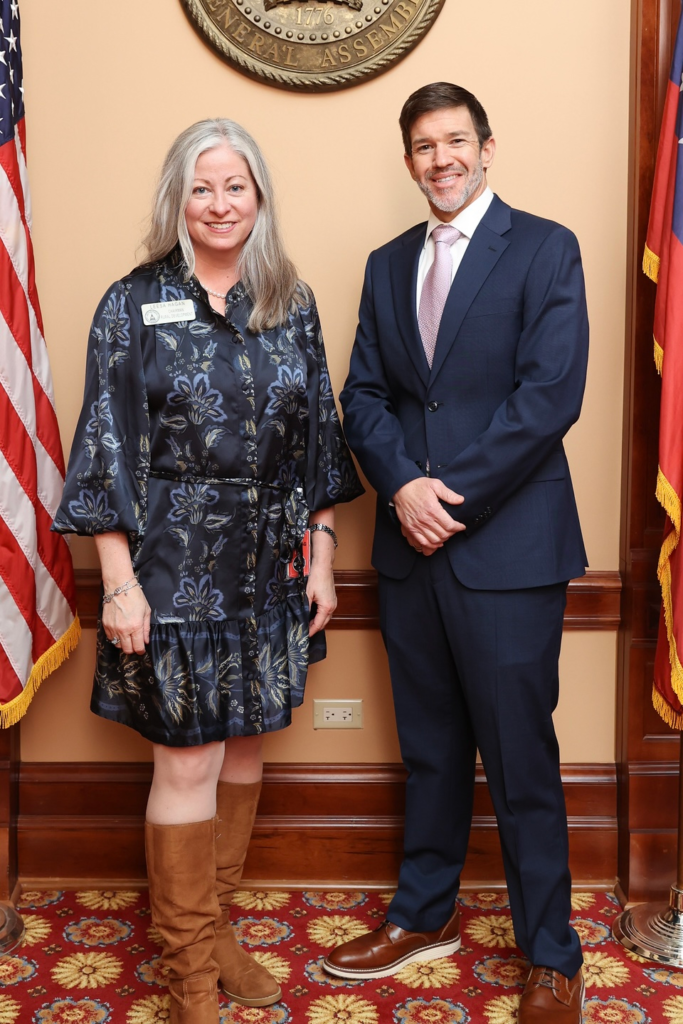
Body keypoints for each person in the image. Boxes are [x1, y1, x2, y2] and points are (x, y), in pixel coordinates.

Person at [53, 118, 363, 1024]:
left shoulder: (289, 301)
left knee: (246, 745)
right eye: (201, 187)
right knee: (186, 764)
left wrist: (326, 556)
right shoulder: (131, 302)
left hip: (271, 565)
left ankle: (216, 925)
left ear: (258, 196)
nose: (219, 203)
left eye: (235, 186)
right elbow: (104, 446)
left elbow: (318, 443)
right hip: (171, 567)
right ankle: (189, 969)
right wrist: (117, 581)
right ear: (176, 200)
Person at [326, 83, 588, 1024]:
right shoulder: (386, 262)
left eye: (455, 141)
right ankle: (420, 915)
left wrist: (448, 499)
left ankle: (551, 956)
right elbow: (362, 397)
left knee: (522, 760)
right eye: (423, 146)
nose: (440, 158)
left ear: (486, 149)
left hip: (508, 552)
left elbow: (548, 396)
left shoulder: (547, 248)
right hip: (408, 549)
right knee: (430, 752)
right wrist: (401, 488)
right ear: (408, 161)